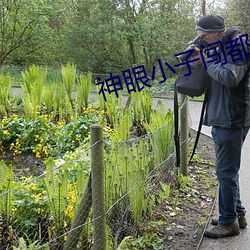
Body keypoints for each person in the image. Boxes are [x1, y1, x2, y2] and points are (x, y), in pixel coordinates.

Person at [193, 15, 250, 238]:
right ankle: (237, 214)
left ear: (217, 32)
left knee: (225, 171)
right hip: (223, 117)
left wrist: (207, 60)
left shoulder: (240, 45)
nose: (202, 41)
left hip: (232, 118)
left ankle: (228, 223)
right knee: (227, 171)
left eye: (203, 37)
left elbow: (229, 77)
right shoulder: (221, 46)